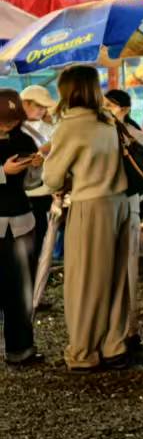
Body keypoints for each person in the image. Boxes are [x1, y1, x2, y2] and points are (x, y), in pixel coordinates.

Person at [42, 64, 133, 372]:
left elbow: (52, 178)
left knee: (85, 280)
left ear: (67, 91)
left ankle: (83, 352)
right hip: (119, 203)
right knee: (116, 278)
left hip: (90, 206)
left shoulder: (70, 126)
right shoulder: (108, 120)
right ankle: (114, 345)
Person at [0, 89, 41, 365]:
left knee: (21, 288)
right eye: (3, 120)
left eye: (13, 120)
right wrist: (3, 172)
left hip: (21, 221)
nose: (8, 125)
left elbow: (33, 183)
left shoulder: (25, 139)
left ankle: (21, 349)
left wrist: (35, 166)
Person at [105, 88, 143, 353]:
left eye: (111, 105)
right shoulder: (100, 132)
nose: (106, 109)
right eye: (104, 104)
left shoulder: (134, 135)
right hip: (106, 208)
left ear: (125, 109)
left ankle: (129, 329)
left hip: (128, 207)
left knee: (128, 271)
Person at [19, 84, 55, 293]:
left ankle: (33, 291)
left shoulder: (51, 129)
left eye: (44, 107)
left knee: (38, 241)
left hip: (42, 192)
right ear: (25, 104)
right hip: (17, 194)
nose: (42, 111)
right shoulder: (10, 130)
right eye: (38, 106)